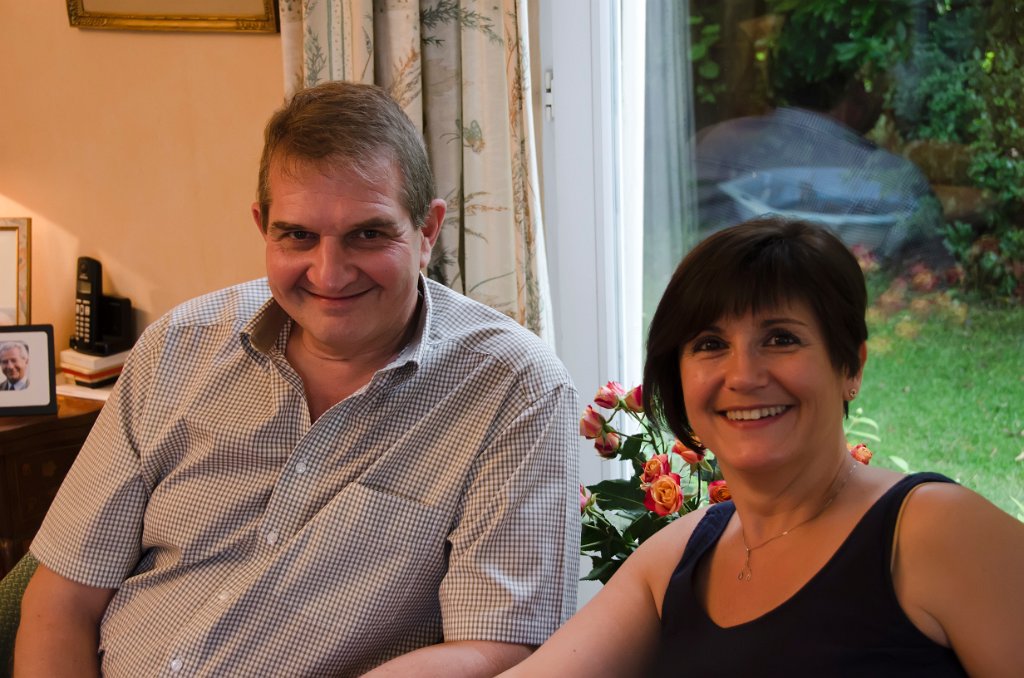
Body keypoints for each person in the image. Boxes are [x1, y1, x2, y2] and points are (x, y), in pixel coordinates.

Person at [15, 81, 580, 677]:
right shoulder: (175, 347)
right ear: (263, 226)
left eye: (368, 234)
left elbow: (503, 648)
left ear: (427, 231)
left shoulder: (514, 389)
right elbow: (61, 601)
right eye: (298, 235)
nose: (329, 274)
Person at [501, 217, 1024, 676]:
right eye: (710, 344)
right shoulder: (675, 559)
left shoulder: (938, 532)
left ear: (851, 366)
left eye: (780, 339)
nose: (744, 375)